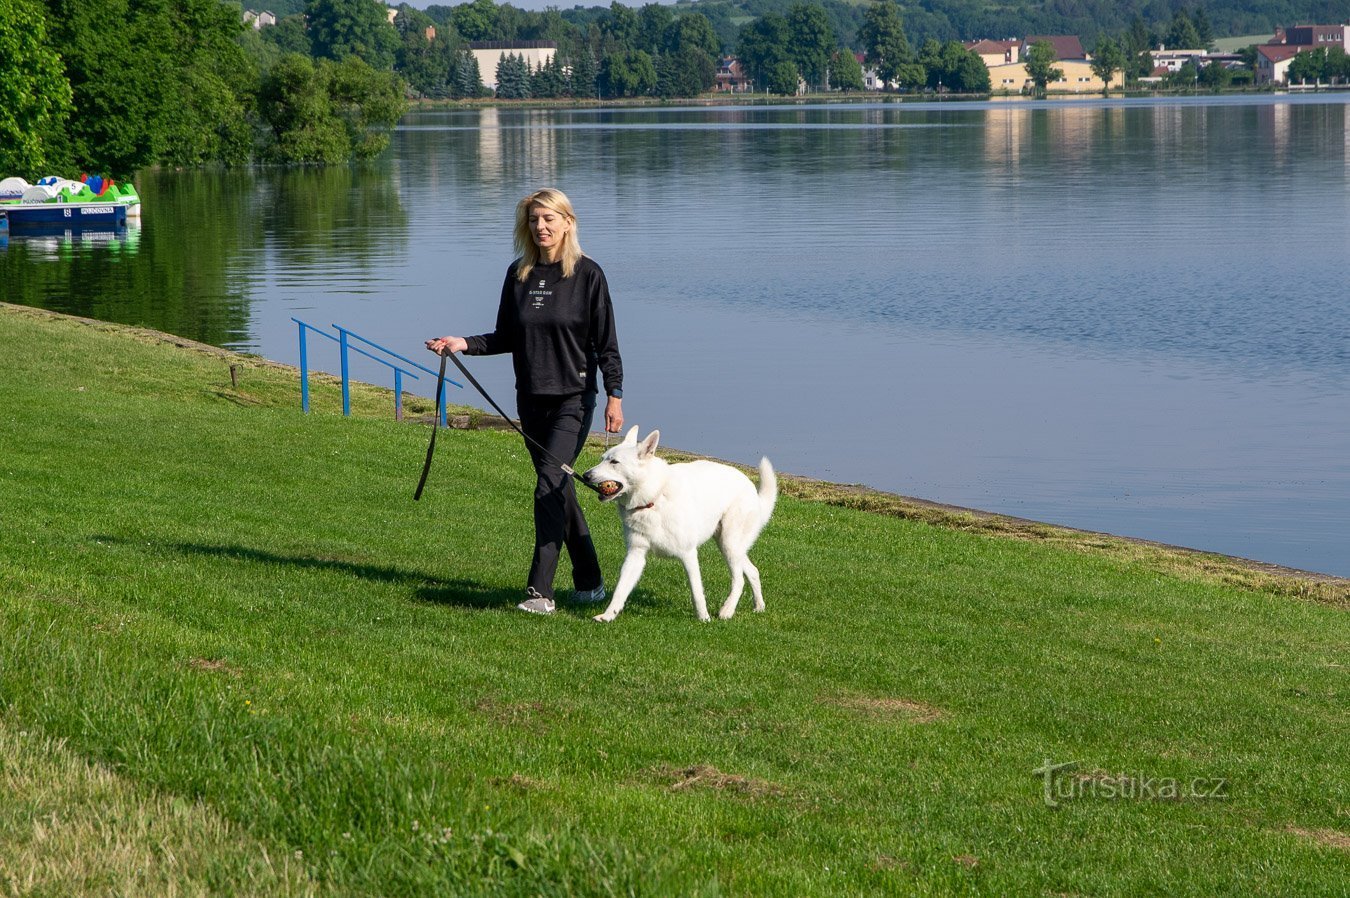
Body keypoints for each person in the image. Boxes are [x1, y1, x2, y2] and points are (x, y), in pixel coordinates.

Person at [426, 188, 623, 615]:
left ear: (568, 223)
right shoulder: (519, 275)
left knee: (547, 485)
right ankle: (590, 581)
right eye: (534, 219)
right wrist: (461, 343)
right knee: (559, 487)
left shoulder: (589, 275)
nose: (541, 227)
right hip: (531, 401)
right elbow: (506, 337)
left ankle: (541, 593)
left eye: (550, 219)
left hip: (574, 398)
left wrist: (615, 395)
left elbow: (606, 343)